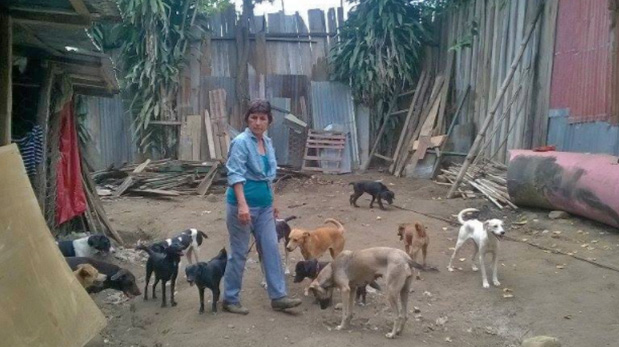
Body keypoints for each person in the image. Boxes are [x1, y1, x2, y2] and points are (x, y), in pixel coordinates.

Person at [222, 99, 302, 314]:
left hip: (265, 208)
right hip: (242, 207)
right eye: (253, 118)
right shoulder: (240, 142)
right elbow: (235, 174)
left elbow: (268, 178)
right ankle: (230, 299)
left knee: (271, 249)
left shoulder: (266, 142)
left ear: (269, 121)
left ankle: (278, 296)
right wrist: (242, 205)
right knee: (239, 252)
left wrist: (273, 203)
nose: (257, 123)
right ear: (248, 120)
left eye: (262, 119)